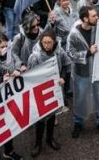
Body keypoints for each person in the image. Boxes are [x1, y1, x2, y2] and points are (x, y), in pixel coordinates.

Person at [66, 5, 99, 139]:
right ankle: (78, 123)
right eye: (93, 16)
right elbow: (70, 54)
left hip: (97, 71)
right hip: (81, 72)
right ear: (85, 19)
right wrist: (88, 52)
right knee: (80, 98)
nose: (97, 17)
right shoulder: (74, 34)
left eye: (96, 15)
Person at [27, 29, 69, 157]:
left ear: (54, 42)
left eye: (49, 42)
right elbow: (30, 75)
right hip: (40, 90)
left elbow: (67, 66)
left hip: (54, 89)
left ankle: (49, 139)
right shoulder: (35, 56)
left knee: (52, 116)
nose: (46, 45)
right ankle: (38, 143)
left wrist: (63, 78)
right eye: (44, 42)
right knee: (41, 119)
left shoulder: (59, 51)